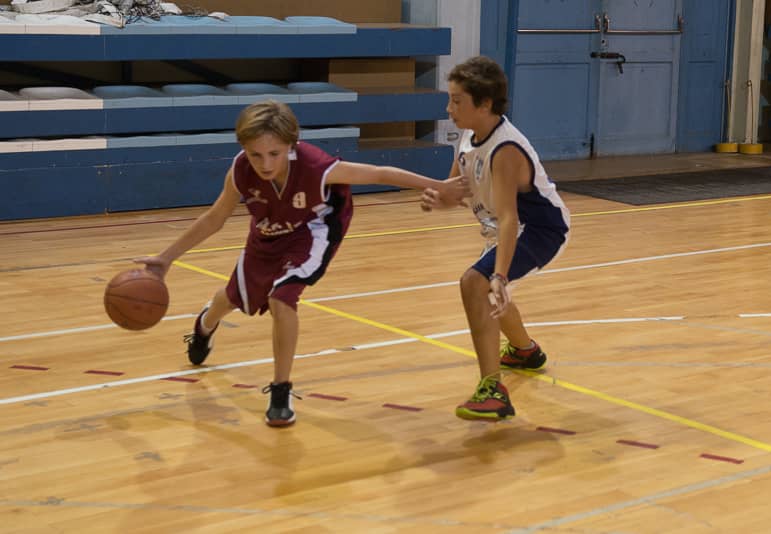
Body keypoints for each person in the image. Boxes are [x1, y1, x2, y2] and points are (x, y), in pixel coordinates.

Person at [136, 100, 466, 427]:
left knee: (282, 297)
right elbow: (214, 218)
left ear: (291, 146)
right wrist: (167, 259)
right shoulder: (240, 171)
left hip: (313, 231)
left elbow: (380, 173)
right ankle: (204, 325)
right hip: (268, 233)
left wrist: (439, 186)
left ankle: (281, 389)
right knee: (234, 297)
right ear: (244, 149)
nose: (265, 164)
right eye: (256, 155)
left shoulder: (316, 167)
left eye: (274, 154)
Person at [421, 56, 571, 421]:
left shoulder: (505, 150)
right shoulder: (469, 137)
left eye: (457, 100)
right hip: (505, 227)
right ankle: (525, 352)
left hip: (539, 228)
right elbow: (457, 190)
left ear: (484, 104)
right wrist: (438, 199)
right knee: (489, 289)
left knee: (476, 283)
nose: (449, 108)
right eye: (450, 98)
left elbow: (509, 217)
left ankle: (493, 390)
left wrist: (499, 276)